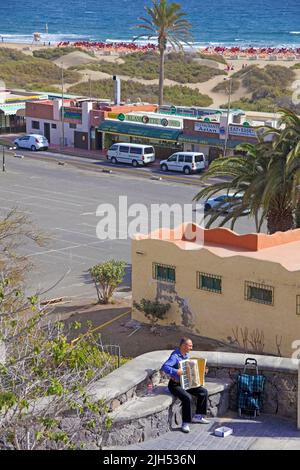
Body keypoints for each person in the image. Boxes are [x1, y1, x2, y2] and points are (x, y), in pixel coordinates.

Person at [161, 337, 209, 433]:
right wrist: (176, 371)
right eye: (190, 345)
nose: (191, 347)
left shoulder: (185, 355)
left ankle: (198, 416)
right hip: (175, 385)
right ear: (183, 345)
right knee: (187, 398)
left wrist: (202, 371)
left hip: (186, 382)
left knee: (203, 392)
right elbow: (164, 366)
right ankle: (185, 423)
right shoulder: (175, 356)